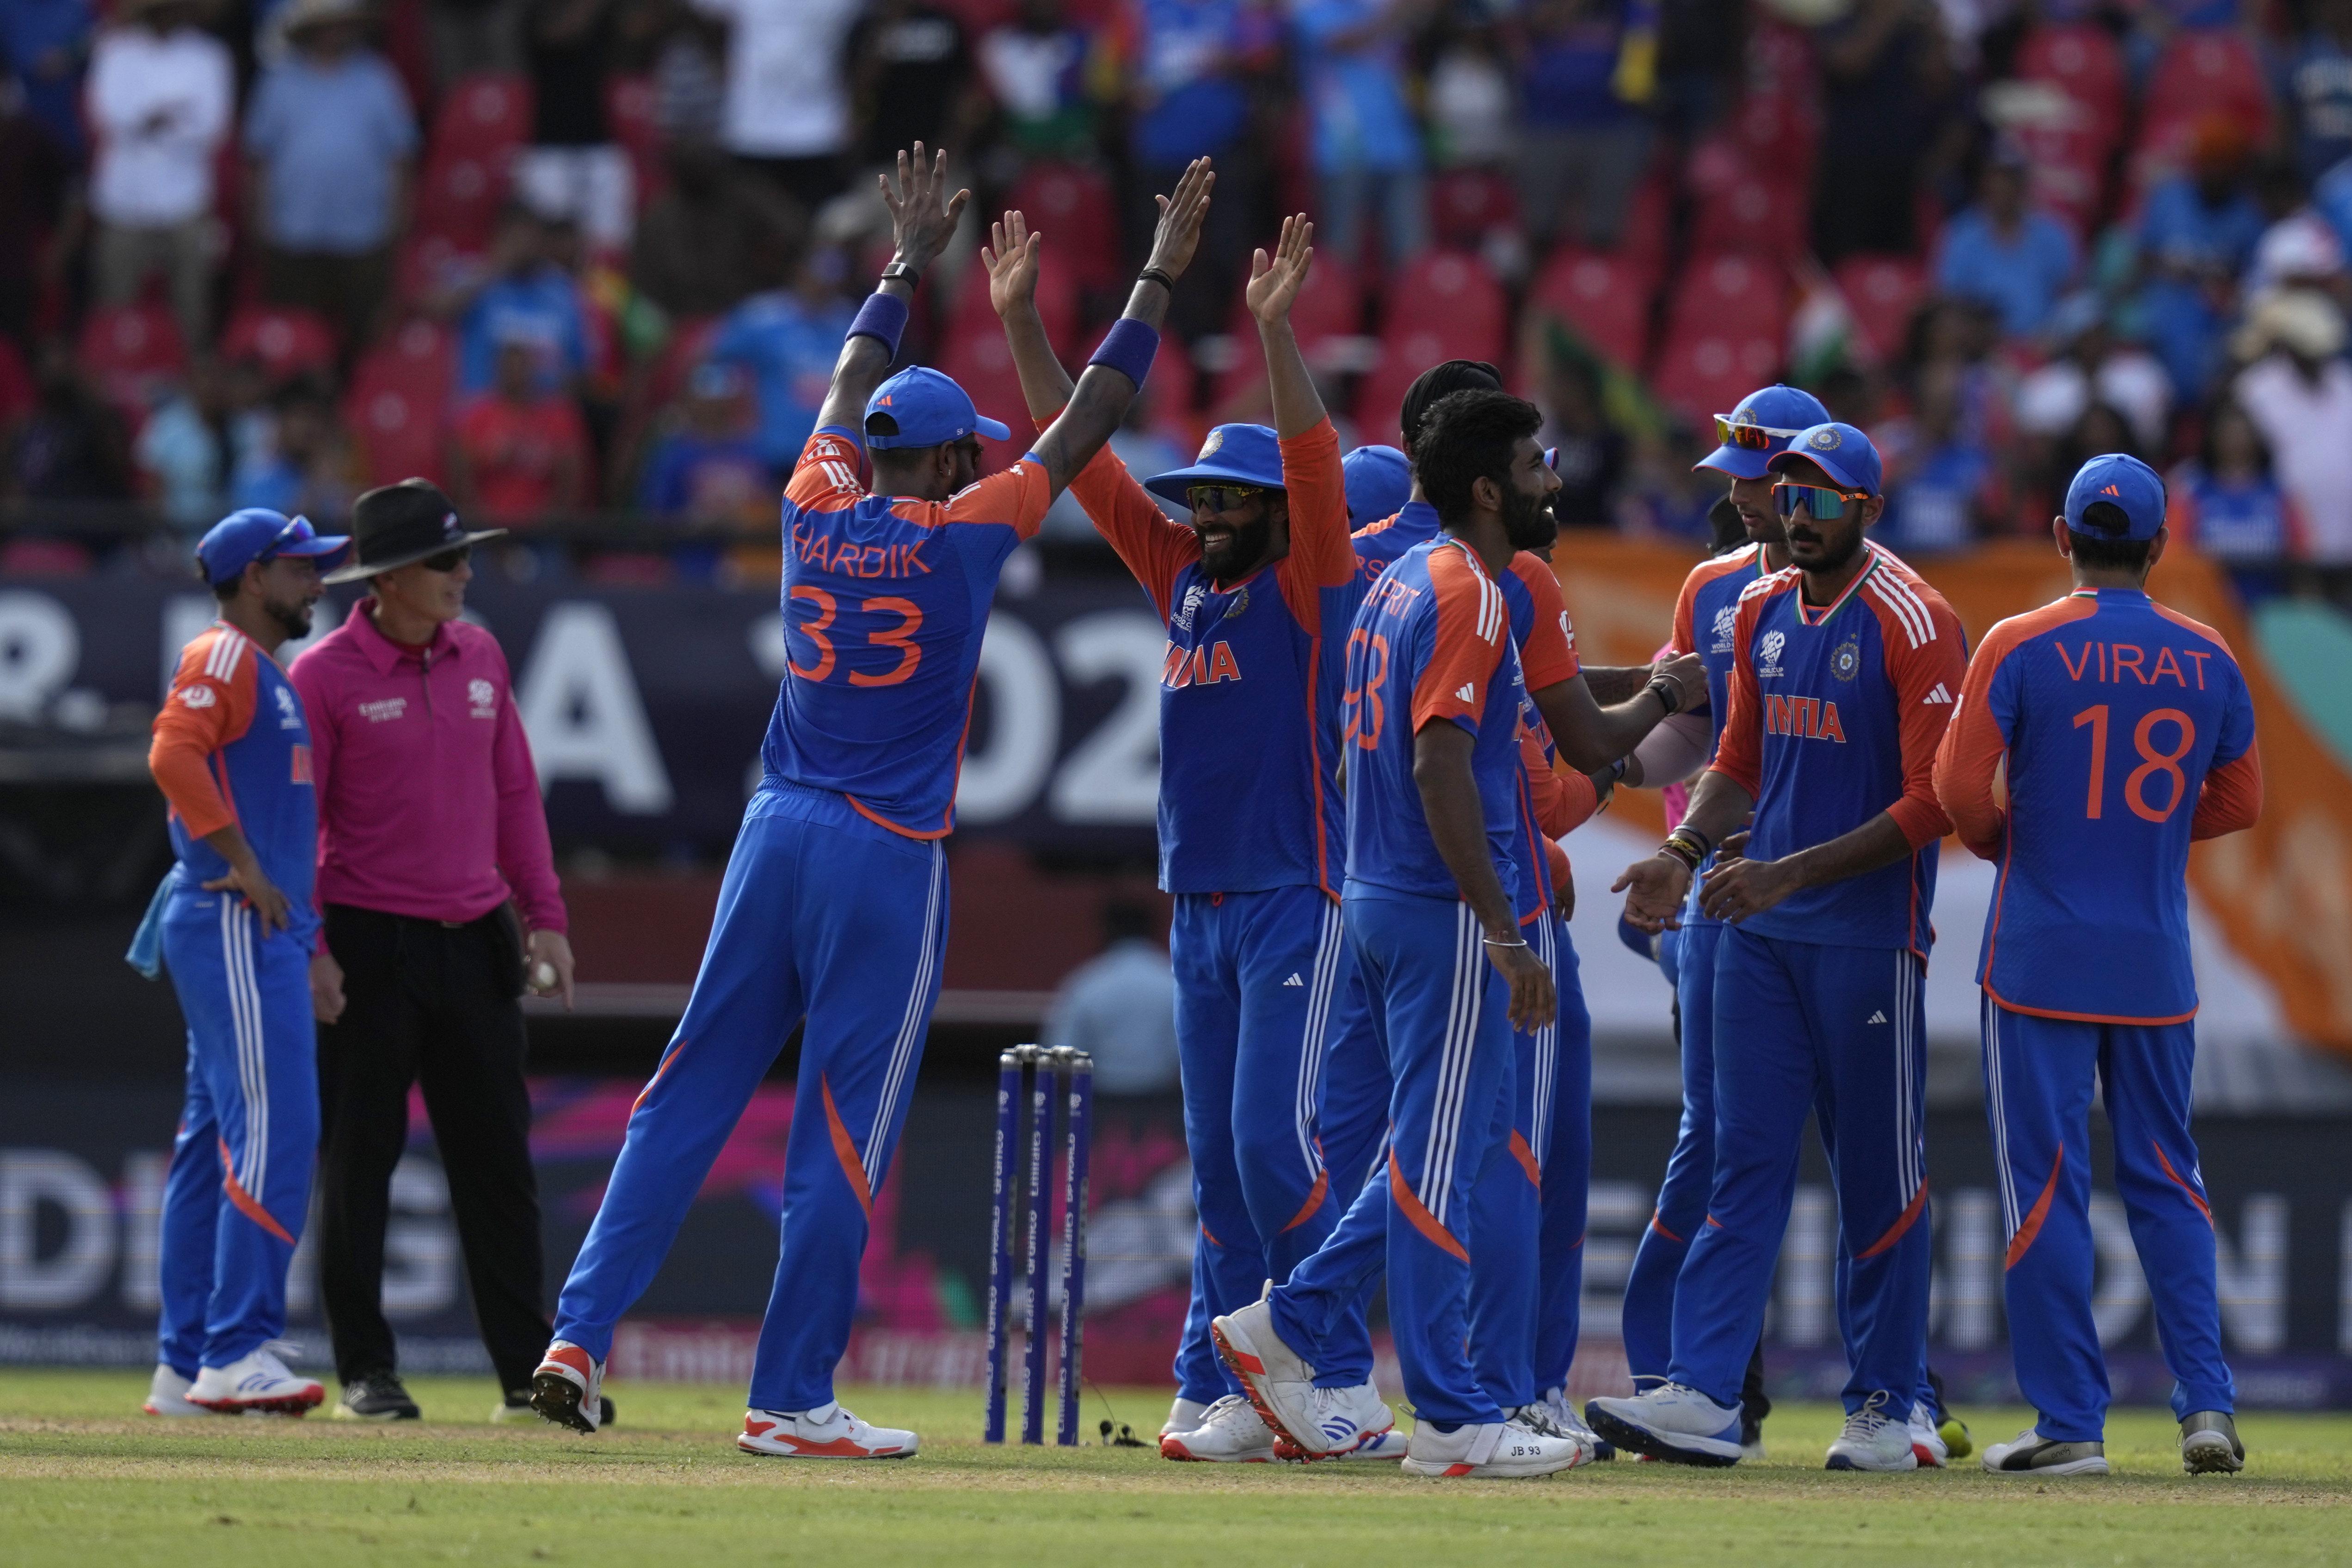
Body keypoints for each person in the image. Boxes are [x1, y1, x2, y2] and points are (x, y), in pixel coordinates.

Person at [531, 147, 1218, 1457]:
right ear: (955, 453)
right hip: (884, 851)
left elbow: (847, 380)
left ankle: (577, 1330)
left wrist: (905, 263)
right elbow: (1091, 420)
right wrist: (1156, 276)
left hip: (770, 827)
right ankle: (789, 1395)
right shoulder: (966, 533)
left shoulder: (806, 505)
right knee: (842, 1128)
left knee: (684, 1090)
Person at [987, 210, 1374, 1463]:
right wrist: (1015, 326)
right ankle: (1216, 1383)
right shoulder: (1186, 579)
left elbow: (1313, 466)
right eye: (1199, 497)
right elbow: (1083, 451)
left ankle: (1336, 1375)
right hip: (1196, 900)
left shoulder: (1313, 587)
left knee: (1270, 1141)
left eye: (1228, 501)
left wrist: (1271, 333)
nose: (1206, 514)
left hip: (1290, 894)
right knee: (1215, 1160)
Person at [1208, 388, 1585, 1479]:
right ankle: (1454, 1416)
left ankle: (1291, 1319)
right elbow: (1436, 760)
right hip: (1441, 913)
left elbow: (1350, 751)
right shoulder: (1469, 590)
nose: (1547, 482)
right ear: (1484, 488)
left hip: (1373, 898)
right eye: (1531, 466)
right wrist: (1499, 930)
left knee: (1437, 1151)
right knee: (1437, 1164)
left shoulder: (1390, 589)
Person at [1590, 420, 1967, 1471]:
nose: (1795, 516)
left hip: (1861, 935)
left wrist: (1788, 871)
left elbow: (1933, 799)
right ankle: (1706, 1394)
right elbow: (1737, 757)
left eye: (1818, 498)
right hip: (1752, 926)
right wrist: (1680, 847)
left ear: (1866, 508)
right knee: (1738, 1161)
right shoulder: (1750, 606)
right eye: (1784, 495)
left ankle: (1891, 1406)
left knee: (1876, 1174)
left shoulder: (1913, 617)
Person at [1933, 453, 2263, 1477]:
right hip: (2152, 963)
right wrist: (2148, 835)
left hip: (2038, 957)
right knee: (2170, 1182)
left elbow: (1956, 791)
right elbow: (2239, 801)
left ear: (2061, 538)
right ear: (2159, 547)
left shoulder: (2020, 642)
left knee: (2045, 1190)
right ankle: (2205, 1406)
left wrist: (2013, 842)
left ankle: (2070, 1423)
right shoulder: (2207, 654)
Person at [290, 479, 576, 1423]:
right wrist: (316, 950)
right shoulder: (324, 676)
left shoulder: (481, 654)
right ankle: (367, 1371)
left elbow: (515, 797)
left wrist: (545, 918)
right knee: (360, 1161)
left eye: (465, 557)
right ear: (395, 577)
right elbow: (299, 832)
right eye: (450, 560)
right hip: (369, 942)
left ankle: (524, 1379)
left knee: (498, 1166)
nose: (465, 574)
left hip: (475, 936)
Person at [1610, 383, 1824, 1463]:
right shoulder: (1709, 588)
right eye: (1732, 482)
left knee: (1859, 1154)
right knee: (1715, 1142)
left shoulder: (1883, 601)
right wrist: (1604, 754)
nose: (1739, 499)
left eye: (1756, 480)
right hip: (1724, 906)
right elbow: (1692, 746)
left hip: (1834, 901)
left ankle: (1895, 1391)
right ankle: (1682, 1377)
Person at [139, 506, 349, 1419]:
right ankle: (237, 1349)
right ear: (252, 578)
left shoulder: (267, 672)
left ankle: (184, 1365)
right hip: (232, 917)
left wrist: (304, 940)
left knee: (209, 1143)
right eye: (298, 568)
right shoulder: (226, 656)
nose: (315, 582)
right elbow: (170, 752)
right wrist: (243, 864)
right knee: (277, 1126)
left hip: (255, 926)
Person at [243, 0, 418, 352]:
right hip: (294, 232)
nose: (339, 32)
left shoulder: (378, 78)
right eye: (330, 24)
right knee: (296, 337)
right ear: (312, 32)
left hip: (363, 233)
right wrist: (259, 220)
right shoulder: (280, 81)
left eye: (345, 24)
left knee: (366, 337)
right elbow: (259, 158)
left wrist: (399, 217)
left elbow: (400, 156)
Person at [84, 0, 234, 349]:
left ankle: (192, 380)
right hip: (123, 198)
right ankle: (116, 379)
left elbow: (213, 125)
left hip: (186, 198)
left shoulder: (209, 56)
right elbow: (106, 115)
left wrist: (148, 121)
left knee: (191, 305)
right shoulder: (115, 51)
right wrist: (165, 116)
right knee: (116, 299)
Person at [2167, 398, 2305, 606]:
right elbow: (2175, 550)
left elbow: (2301, 550)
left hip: (2271, 604)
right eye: (2228, 434)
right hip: (2210, 607)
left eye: (2242, 433)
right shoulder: (2191, 490)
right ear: (2213, 438)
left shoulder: (2279, 492)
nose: (2235, 441)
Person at [1933, 146, 2080, 340]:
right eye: (1994, 178)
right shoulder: (1961, 235)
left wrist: (2053, 337)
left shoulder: (2055, 235)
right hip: (1977, 347)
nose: (2000, 186)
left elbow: (2071, 298)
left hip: (2043, 346)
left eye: (2008, 179)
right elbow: (1948, 299)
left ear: (2022, 185)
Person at [449, 331, 591, 523]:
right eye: (509, 367)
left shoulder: (558, 418)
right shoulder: (476, 418)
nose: (515, 374)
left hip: (545, 530)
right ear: (497, 370)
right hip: (487, 529)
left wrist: (548, 522)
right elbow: (461, 479)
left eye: (521, 367)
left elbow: (573, 479)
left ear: (533, 369)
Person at [1043, 902, 1181, 1095]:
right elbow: (1188, 1054)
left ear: (1107, 930)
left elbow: (1060, 1056)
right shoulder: (1173, 982)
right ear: (1154, 930)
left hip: (1101, 1104)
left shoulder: (1086, 984)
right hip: (1163, 1107)